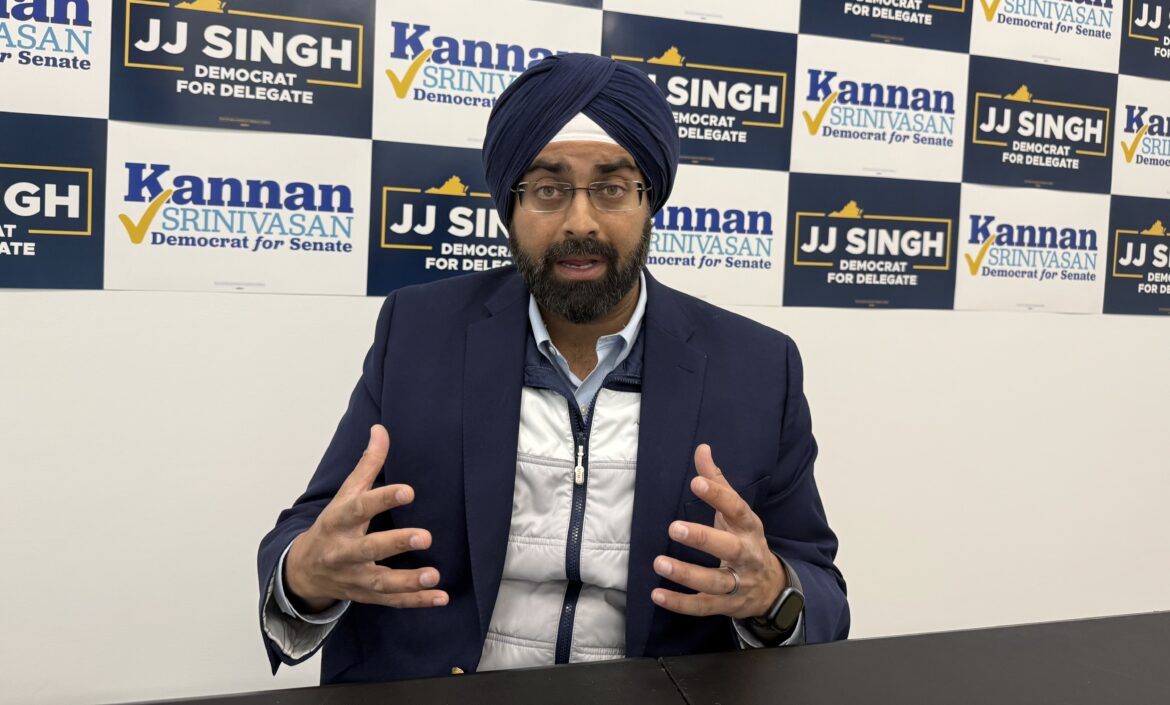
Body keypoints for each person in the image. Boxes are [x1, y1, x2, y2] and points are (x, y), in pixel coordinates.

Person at [257, 52, 849, 684]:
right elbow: (312, 530)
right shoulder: (419, 332)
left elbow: (818, 587)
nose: (580, 221)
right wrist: (305, 574)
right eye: (548, 189)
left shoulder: (757, 365)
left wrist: (773, 593)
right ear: (508, 203)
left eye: (613, 188)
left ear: (652, 200)